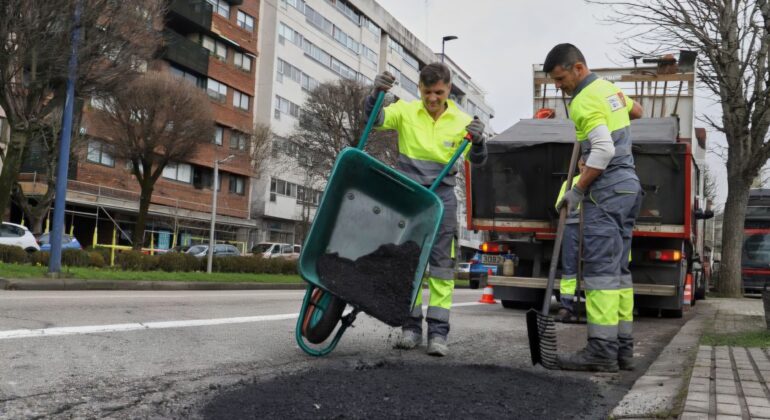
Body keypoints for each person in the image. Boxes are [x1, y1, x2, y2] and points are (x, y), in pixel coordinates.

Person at [364, 62, 487, 357]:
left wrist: (480, 141)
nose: (432, 98)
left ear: (448, 91)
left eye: (439, 92)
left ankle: (438, 333)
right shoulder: (406, 111)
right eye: (427, 91)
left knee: (442, 268)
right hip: (409, 196)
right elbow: (375, 119)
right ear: (419, 88)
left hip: (442, 197)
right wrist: (376, 93)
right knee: (409, 262)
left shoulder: (461, 120)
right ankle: (411, 328)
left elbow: (479, 161)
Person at [545, 43, 643, 372]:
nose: (559, 86)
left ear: (578, 68)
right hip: (629, 187)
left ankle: (601, 352)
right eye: (555, 81)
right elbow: (637, 111)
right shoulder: (608, 90)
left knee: (601, 273)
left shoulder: (583, 101)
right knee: (619, 273)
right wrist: (611, 121)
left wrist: (577, 188)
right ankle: (622, 350)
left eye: (561, 79)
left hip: (607, 190)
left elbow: (603, 151)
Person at [555, 158, 585, 323]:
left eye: (587, 164)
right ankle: (566, 306)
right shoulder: (570, 183)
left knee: (596, 267)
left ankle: (595, 308)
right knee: (569, 267)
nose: (584, 167)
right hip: (572, 226)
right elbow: (559, 205)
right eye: (582, 164)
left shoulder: (600, 181)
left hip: (593, 226)